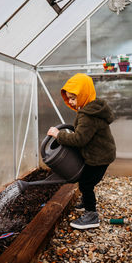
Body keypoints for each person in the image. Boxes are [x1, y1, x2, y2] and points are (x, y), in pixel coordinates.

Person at [47, 73, 116, 230]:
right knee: (87, 180)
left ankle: (92, 216)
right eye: (69, 98)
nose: (70, 101)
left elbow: (79, 140)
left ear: (84, 94)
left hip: (99, 157)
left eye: (73, 97)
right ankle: (86, 202)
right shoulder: (92, 108)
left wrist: (58, 135)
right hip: (101, 153)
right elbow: (84, 134)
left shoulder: (88, 116)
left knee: (86, 183)